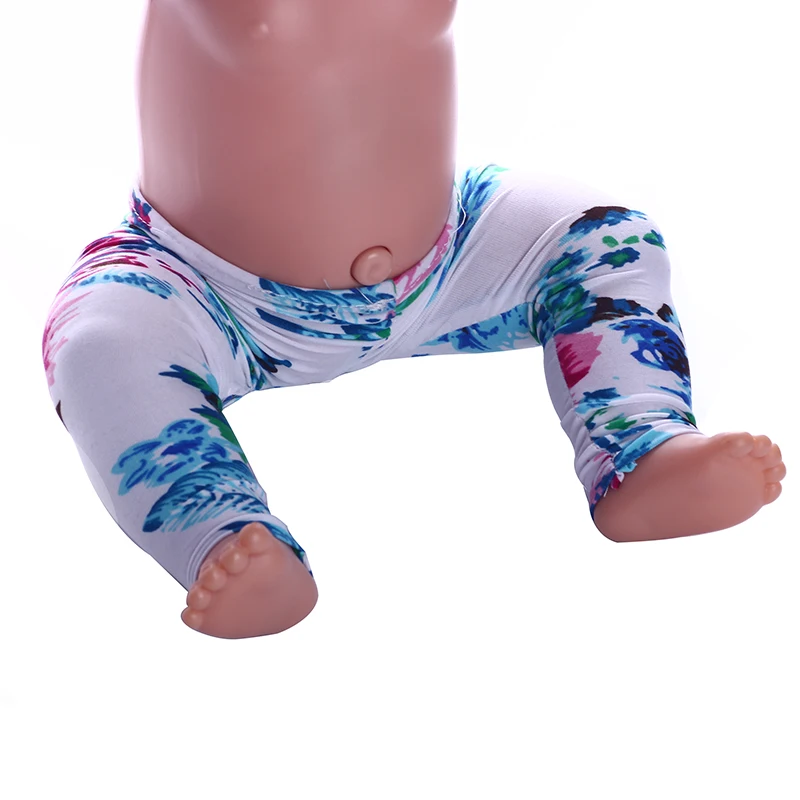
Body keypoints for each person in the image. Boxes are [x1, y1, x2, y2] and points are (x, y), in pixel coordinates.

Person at [42, 0, 785, 639]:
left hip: (447, 257)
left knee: (603, 236)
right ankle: (225, 537)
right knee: (101, 347)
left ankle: (641, 447)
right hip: (209, 291)